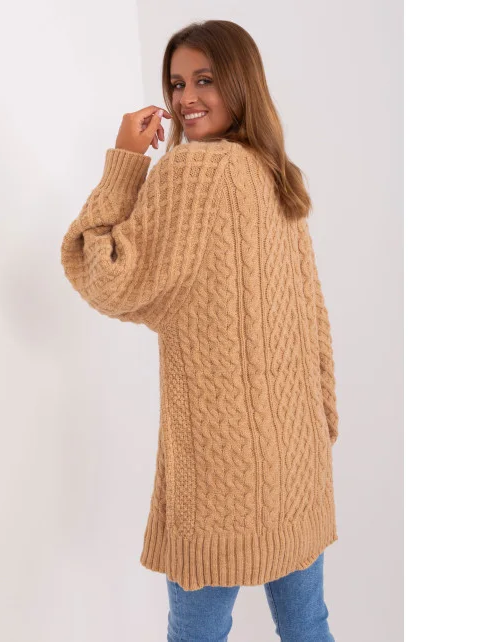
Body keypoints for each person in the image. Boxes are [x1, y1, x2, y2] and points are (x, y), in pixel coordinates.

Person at [61, 19, 339, 642]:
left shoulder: (192, 173)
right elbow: (312, 317)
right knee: (307, 625)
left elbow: (103, 272)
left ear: (241, 83)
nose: (186, 97)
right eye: (178, 82)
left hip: (217, 474)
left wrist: (125, 162)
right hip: (298, 458)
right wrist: (323, 422)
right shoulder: (276, 174)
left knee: (196, 634)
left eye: (205, 80)